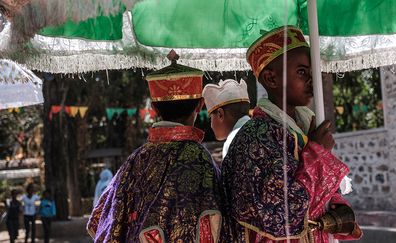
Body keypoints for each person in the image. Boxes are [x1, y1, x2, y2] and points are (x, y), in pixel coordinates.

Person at [220, 26, 362, 242]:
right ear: (271, 78)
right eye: (302, 72)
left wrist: (335, 205)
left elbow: (316, 195)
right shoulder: (256, 136)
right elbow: (278, 214)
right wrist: (317, 153)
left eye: (313, 72)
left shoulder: (304, 126)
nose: (312, 81)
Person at [87, 50, 221, 242]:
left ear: (154, 109)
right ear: (200, 105)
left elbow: (103, 217)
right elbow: (213, 223)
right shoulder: (199, 158)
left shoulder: (135, 159)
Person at [202, 79, 250, 159]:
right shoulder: (265, 128)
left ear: (220, 114)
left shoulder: (233, 141)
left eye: (211, 118)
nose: (211, 126)